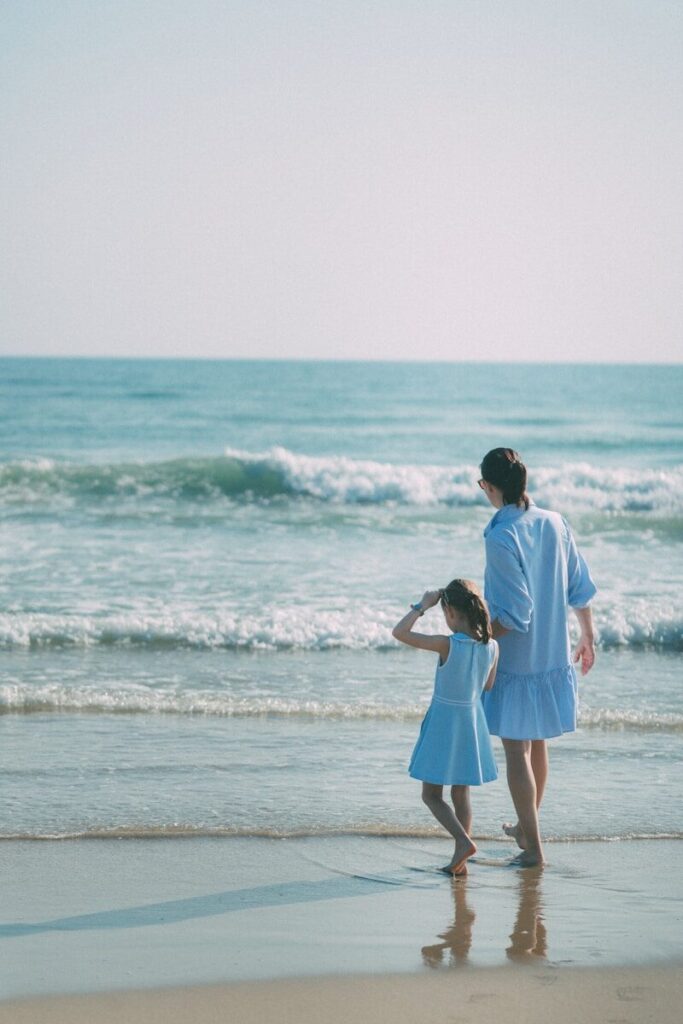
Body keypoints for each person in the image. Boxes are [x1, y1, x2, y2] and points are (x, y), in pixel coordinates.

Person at [478, 447, 597, 867]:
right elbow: (579, 584)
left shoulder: (500, 536)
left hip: (519, 660)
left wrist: (476, 636)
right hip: (552, 653)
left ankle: (533, 850)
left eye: (483, 486)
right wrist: (587, 635)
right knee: (538, 744)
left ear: (491, 487)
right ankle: (528, 829)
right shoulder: (554, 522)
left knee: (516, 751)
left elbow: (515, 614)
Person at [392, 580, 499, 876]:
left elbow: (399, 633)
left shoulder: (446, 644)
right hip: (471, 722)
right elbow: (488, 686)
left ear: (450, 612)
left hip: (444, 721)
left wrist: (421, 605)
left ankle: (463, 844)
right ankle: (459, 860)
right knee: (461, 793)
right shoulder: (492, 646)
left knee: (431, 795)